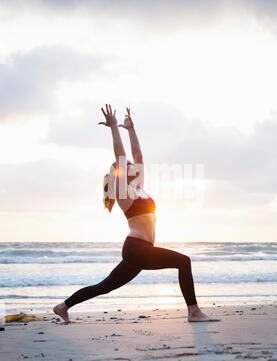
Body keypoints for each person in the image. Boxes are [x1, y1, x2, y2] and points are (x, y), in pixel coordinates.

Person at [53, 104, 219, 324]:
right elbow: (121, 156)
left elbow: (138, 155)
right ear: (120, 173)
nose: (132, 164)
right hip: (136, 248)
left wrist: (131, 129)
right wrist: (114, 128)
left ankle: (63, 306)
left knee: (105, 286)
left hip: (142, 250)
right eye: (127, 165)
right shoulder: (124, 194)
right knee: (184, 261)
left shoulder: (139, 188)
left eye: (132, 164)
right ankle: (194, 312)